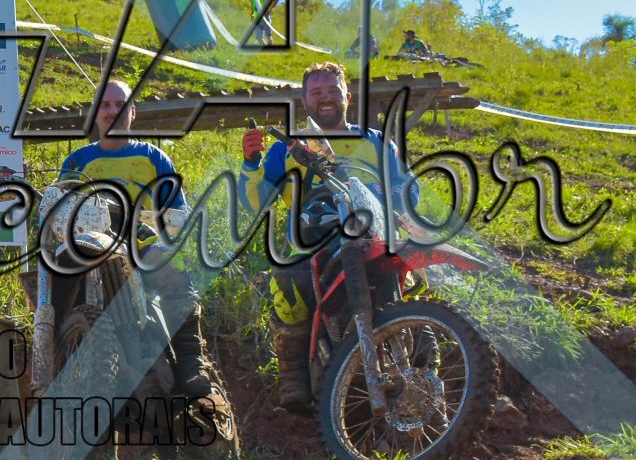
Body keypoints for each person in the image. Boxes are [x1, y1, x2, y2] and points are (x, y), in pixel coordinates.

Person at [238, 62, 417, 412]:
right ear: (305, 100)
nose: (326, 98)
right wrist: (250, 163)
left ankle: (426, 367)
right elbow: (256, 203)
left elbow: (409, 190)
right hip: (312, 246)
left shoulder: (376, 142)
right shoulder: (287, 147)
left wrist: (383, 192)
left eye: (334, 90)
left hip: (374, 239)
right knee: (286, 283)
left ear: (347, 97)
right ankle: (293, 374)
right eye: (317, 92)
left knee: (411, 286)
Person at [56, 79, 214, 396]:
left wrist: (164, 239)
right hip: (88, 250)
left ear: (133, 112)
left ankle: (191, 363)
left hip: (141, 250)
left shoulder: (154, 159)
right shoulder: (77, 161)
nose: (112, 112)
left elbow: (177, 213)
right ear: (95, 113)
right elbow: (58, 210)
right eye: (105, 105)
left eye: (120, 105)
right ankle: (56, 369)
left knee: (171, 270)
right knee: (51, 278)